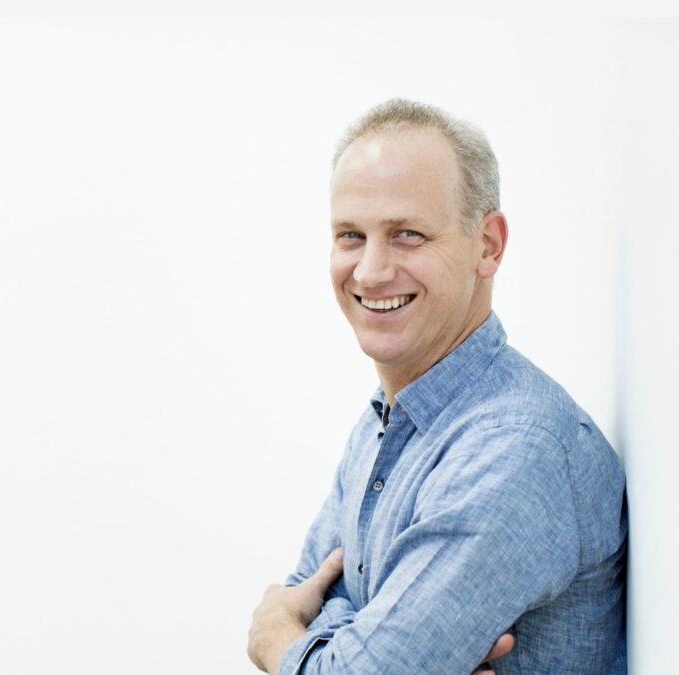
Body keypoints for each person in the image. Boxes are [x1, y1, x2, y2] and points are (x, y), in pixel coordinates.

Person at [246, 99, 627, 674]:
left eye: (408, 234)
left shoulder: (515, 448)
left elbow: (321, 643)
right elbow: (313, 592)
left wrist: (272, 637)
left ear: (488, 245)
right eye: (351, 235)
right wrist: (349, 644)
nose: (371, 271)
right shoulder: (387, 418)